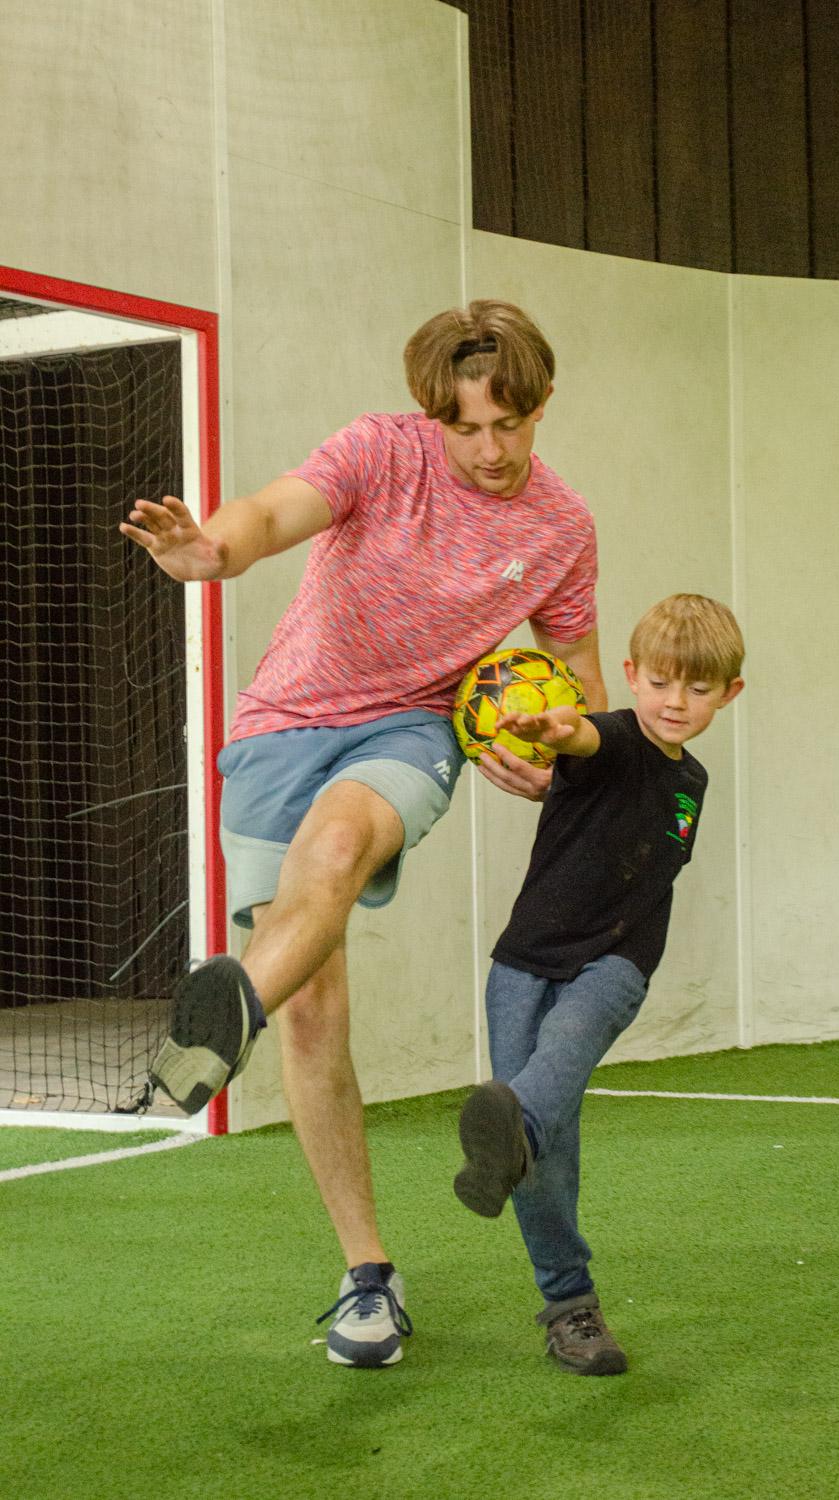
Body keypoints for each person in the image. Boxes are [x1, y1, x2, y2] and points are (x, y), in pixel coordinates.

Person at [119, 300, 606, 1369]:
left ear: (540, 407)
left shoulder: (560, 528)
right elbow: (271, 512)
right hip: (281, 724)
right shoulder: (381, 451)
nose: (489, 450)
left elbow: (580, 680)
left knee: (337, 849)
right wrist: (210, 551)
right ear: (433, 415)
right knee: (314, 1012)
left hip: (412, 729)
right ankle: (369, 1277)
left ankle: (232, 1005)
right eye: (465, 428)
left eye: (510, 426)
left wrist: (568, 751)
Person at [452, 593, 744, 1375]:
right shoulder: (607, 737)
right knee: (540, 1146)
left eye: (698, 688)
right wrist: (558, 731)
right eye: (661, 682)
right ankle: (570, 1307)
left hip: (614, 964)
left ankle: (513, 1135)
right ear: (630, 675)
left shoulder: (693, 781)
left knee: (553, 1070)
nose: (676, 701)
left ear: (729, 694)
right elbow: (585, 737)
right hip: (523, 961)